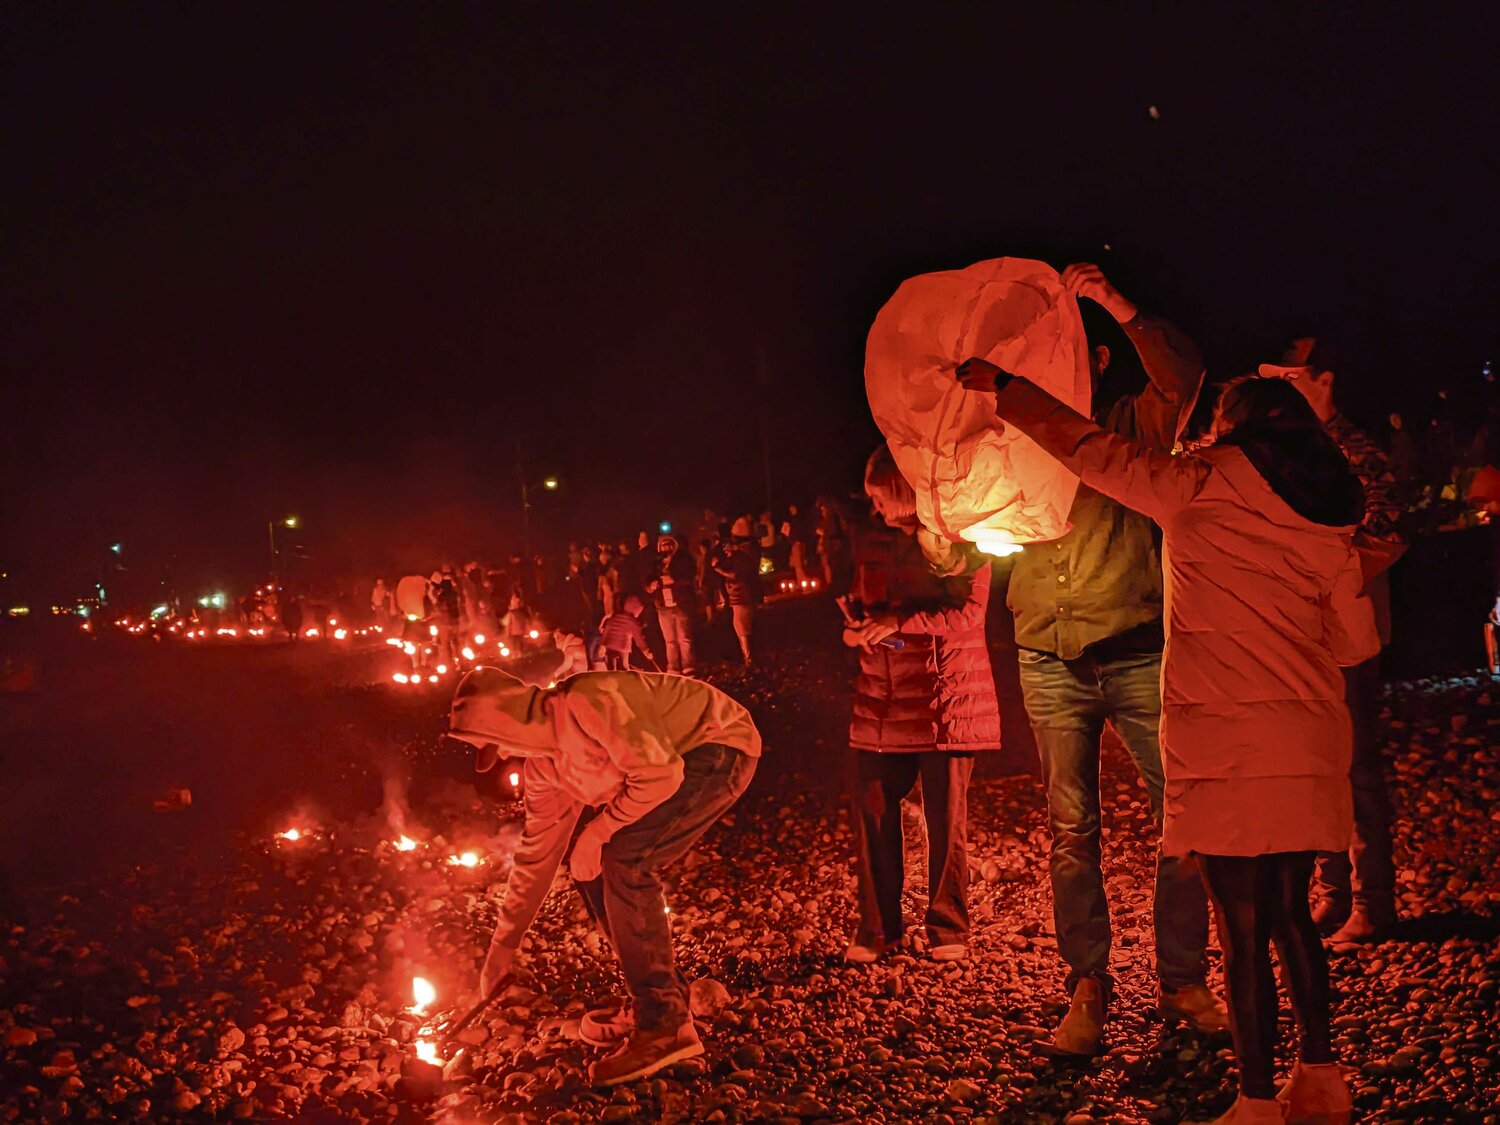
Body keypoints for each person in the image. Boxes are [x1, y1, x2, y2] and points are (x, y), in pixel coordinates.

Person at [960, 358, 1378, 1125]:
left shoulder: (1197, 483)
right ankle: (1321, 1079)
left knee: (1242, 925)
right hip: (1308, 737)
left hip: (1224, 743)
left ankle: (1255, 1101)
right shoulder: (1330, 516)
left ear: (1234, 426)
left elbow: (1089, 449)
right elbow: (1356, 643)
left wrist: (1010, 390)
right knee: (1290, 911)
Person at [988, 263, 1223, 1054]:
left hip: (1136, 648)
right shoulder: (1007, 439)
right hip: (1046, 654)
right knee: (1069, 828)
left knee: (1181, 815)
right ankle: (1086, 985)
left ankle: (1182, 980)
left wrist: (1118, 304)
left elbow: (1185, 379)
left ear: (1094, 361)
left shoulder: (1131, 423)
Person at [449, 667, 761, 1086]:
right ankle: (664, 1001)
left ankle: (664, 1025)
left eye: (492, 742)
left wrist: (597, 832)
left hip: (718, 745)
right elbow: (536, 855)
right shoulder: (545, 770)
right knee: (588, 865)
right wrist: (503, 946)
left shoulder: (588, 700)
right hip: (674, 765)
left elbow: (661, 774)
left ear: (501, 717)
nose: (502, 755)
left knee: (626, 861)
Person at [1259, 337, 1407, 947]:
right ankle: (1334, 892)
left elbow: (1388, 526)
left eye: (1293, 378)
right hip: (1295, 633)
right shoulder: (1284, 450)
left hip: (1343, 634)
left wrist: (1324, 576)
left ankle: (1374, 900)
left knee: (1356, 770)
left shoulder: (1351, 448)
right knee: (1315, 766)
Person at [841, 445, 1002, 963]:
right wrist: (857, 628)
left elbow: (968, 617)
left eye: (880, 494)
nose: (876, 506)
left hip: (945, 700)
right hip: (881, 699)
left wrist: (900, 623)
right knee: (872, 808)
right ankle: (878, 927)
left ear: (904, 488)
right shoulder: (874, 540)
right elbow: (867, 603)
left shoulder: (960, 540)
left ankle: (948, 925)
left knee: (944, 818)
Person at [647, 534, 698, 675]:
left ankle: (688, 666)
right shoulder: (655, 564)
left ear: (674, 545)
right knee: (670, 640)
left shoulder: (682, 561)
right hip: (663, 606)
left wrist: (674, 580)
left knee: (685, 637)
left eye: (669, 544)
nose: (666, 547)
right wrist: (651, 586)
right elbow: (647, 582)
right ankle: (673, 667)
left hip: (680, 603)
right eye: (664, 544)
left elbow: (690, 578)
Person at [715, 519, 764, 666]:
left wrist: (718, 568)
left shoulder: (742, 556)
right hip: (740, 596)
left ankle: (748, 658)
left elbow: (735, 574)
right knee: (741, 626)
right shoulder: (745, 553)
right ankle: (747, 656)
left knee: (742, 627)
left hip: (742, 596)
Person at [599, 596, 654, 671]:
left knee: (611, 667)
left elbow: (606, 630)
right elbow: (639, 639)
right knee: (624, 667)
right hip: (623, 647)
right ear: (636, 610)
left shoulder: (614, 617)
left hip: (610, 646)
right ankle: (625, 679)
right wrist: (646, 651)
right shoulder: (633, 622)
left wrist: (602, 644)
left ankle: (611, 679)